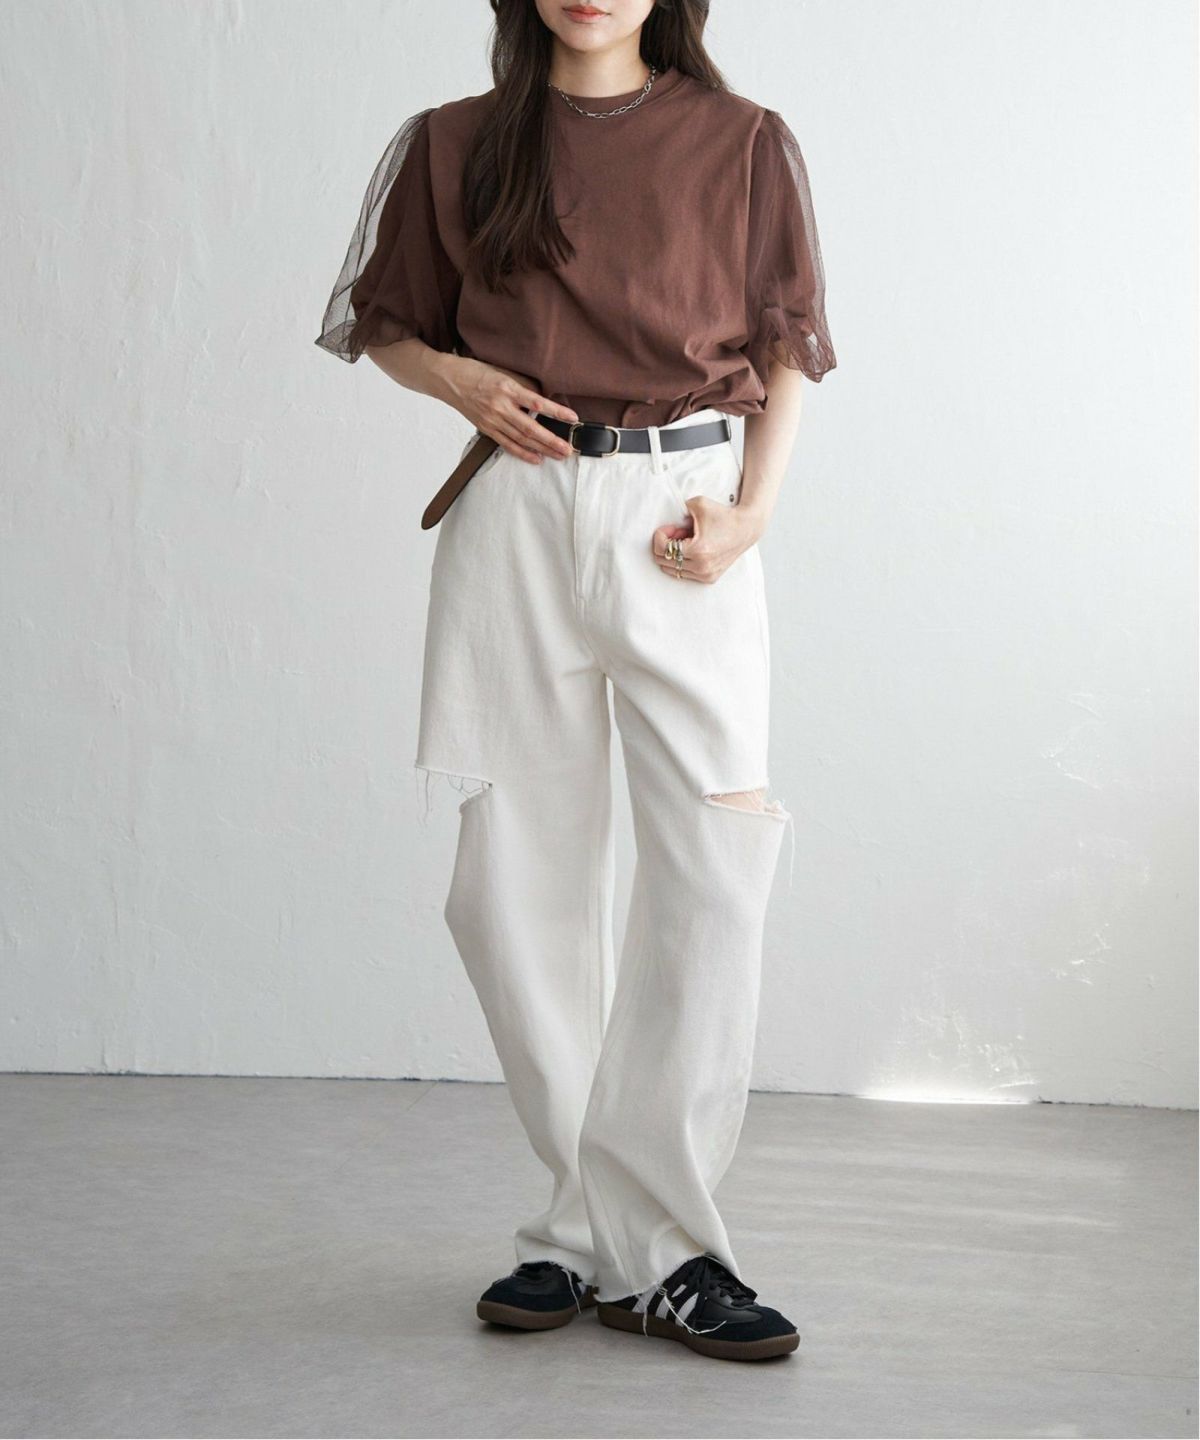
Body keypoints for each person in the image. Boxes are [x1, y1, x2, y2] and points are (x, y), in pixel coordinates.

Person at [315, 0, 835, 1364]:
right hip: (517, 515)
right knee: (513, 885)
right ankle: (587, 1227)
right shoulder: (455, 141)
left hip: (685, 513)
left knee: (713, 870)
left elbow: (787, 342)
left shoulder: (742, 140)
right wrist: (462, 385)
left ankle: (662, 1243)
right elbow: (388, 325)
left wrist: (752, 513)